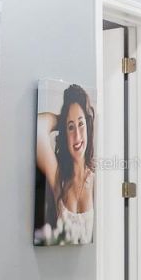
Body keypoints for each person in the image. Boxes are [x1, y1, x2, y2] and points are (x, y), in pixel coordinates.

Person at [36, 84, 95, 245]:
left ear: (88, 125)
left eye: (81, 124)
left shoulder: (96, 180)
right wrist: (60, 120)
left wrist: (69, 121)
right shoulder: (59, 178)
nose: (77, 136)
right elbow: (39, 127)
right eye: (70, 127)